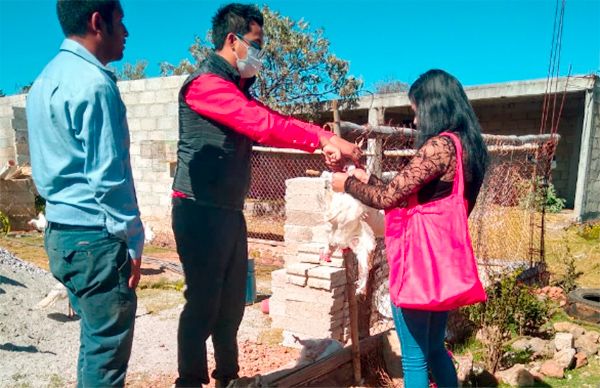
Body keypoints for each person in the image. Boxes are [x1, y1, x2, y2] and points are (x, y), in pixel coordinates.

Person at [171, 3, 361, 387]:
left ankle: (228, 378)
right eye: (255, 43)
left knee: (230, 308)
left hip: (228, 210)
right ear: (232, 40)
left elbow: (278, 120)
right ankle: (189, 382)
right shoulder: (205, 85)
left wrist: (320, 140)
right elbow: (262, 125)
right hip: (197, 209)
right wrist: (323, 137)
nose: (259, 53)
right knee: (203, 304)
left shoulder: (237, 90)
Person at [332, 69, 489, 388]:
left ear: (434, 105)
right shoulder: (465, 148)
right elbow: (412, 194)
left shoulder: (439, 147)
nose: (416, 120)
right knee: (434, 349)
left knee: (414, 356)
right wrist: (367, 179)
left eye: (417, 109)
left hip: (418, 265)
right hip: (441, 266)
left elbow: (389, 197)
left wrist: (346, 183)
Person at [26, 1, 143, 386]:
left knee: (93, 342)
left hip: (61, 233)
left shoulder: (44, 81)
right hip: (96, 238)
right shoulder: (94, 84)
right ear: (98, 22)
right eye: (121, 23)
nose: (126, 33)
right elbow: (108, 179)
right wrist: (133, 238)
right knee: (106, 354)